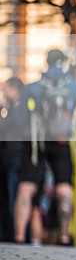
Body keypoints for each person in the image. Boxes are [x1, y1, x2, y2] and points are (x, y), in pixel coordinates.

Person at [14, 49, 76, 246]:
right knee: (64, 189)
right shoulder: (74, 87)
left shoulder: (33, 88)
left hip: (37, 143)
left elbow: (21, 118)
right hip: (61, 141)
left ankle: (19, 237)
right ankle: (64, 236)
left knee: (26, 187)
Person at [1, 77, 27, 242]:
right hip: (8, 159)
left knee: (14, 199)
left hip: (15, 159)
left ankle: (17, 236)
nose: (3, 92)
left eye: (6, 88)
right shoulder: (12, 108)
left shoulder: (20, 109)